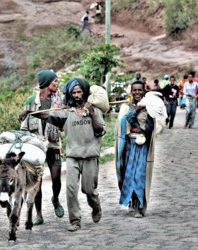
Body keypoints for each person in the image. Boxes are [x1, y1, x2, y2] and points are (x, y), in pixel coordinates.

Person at [19, 78, 106, 232]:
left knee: (88, 190)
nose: (77, 95)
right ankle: (75, 221)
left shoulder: (96, 110)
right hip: (73, 156)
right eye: (74, 93)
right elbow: (48, 116)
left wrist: (91, 113)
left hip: (90, 157)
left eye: (80, 92)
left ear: (85, 93)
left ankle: (96, 207)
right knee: (71, 189)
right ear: (71, 95)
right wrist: (31, 113)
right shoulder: (67, 112)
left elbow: (100, 130)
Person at [20, 70, 64, 225]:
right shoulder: (31, 101)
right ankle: (38, 214)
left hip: (53, 145)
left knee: (56, 178)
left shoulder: (59, 102)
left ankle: (55, 199)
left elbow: (63, 122)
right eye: (54, 82)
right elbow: (24, 127)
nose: (57, 84)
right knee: (36, 181)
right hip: (36, 147)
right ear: (46, 83)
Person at [114, 80, 156, 218]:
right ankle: (131, 201)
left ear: (144, 91)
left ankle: (138, 206)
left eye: (140, 90)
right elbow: (122, 125)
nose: (137, 92)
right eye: (135, 90)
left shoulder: (150, 107)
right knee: (128, 174)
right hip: (128, 145)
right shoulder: (126, 107)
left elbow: (150, 128)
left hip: (141, 146)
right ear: (131, 92)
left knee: (138, 175)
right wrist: (135, 110)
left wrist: (146, 111)